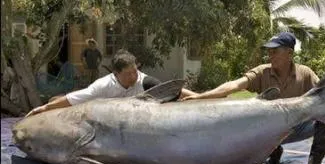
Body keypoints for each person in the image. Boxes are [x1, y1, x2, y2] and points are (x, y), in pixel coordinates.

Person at [182, 32, 325, 164]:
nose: (270, 55)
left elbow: (324, 94)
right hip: (268, 131)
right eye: (269, 51)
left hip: (297, 127)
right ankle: (271, 153)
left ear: (289, 53)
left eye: (275, 51)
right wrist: (199, 97)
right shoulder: (263, 72)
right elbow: (234, 85)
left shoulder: (306, 73)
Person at [26, 49, 197, 117]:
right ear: (116, 74)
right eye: (128, 74)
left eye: (135, 71)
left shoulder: (144, 81)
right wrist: (43, 108)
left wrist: (201, 97)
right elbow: (73, 99)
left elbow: (174, 90)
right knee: (55, 102)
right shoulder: (102, 86)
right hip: (110, 121)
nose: (133, 76)